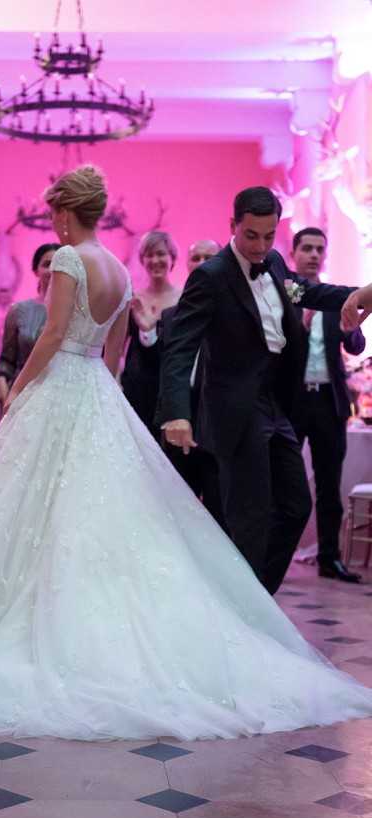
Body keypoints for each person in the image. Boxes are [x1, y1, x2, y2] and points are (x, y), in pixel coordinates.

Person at [0, 166, 372, 742]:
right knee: (110, 511)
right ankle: (214, 620)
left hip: (63, 387)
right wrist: (101, 391)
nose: (51, 218)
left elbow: (52, 336)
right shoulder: (119, 272)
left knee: (37, 507)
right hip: (98, 392)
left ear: (64, 212)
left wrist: (23, 388)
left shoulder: (71, 262)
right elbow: (115, 353)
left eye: (54, 210)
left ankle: (50, 624)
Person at [157, 186, 372, 595]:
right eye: (251, 235)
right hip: (235, 409)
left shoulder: (272, 262)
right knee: (250, 518)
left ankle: (254, 602)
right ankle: (243, 615)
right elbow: (180, 347)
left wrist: (360, 295)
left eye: (269, 236)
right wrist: (177, 412)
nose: (260, 246)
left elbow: (307, 292)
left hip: (274, 403)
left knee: (295, 507)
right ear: (233, 226)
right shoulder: (211, 276)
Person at [290, 227, 365, 582]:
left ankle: (329, 558)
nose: (314, 255)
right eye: (307, 248)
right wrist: (300, 328)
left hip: (329, 403)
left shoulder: (336, 298)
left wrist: (351, 329)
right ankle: (272, 557)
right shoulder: (283, 294)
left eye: (320, 249)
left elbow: (356, 345)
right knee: (283, 482)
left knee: (329, 485)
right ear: (293, 253)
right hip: (290, 401)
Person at [163, 238, 226, 529]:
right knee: (176, 511)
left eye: (208, 257)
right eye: (196, 257)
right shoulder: (171, 315)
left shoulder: (231, 314)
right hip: (179, 421)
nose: (201, 263)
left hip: (218, 426)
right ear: (187, 264)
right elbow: (161, 370)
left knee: (218, 510)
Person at [121, 230, 181, 439]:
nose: (155, 260)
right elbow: (119, 347)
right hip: (137, 387)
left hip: (172, 388)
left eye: (161, 254)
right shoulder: (133, 300)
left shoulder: (184, 300)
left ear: (172, 258)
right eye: (149, 255)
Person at [0, 242, 60, 410]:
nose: (52, 269)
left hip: (60, 396)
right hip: (23, 396)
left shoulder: (76, 312)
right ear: (36, 271)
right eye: (46, 264)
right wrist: (3, 388)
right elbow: (6, 360)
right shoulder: (18, 311)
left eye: (58, 264)